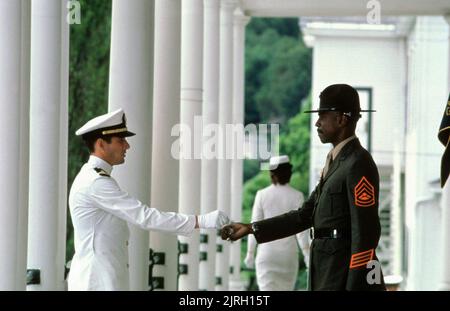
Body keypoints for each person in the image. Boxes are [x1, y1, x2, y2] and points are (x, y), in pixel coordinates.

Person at [222, 84, 386, 291]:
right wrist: (251, 228)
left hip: (342, 273)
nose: (317, 122)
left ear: (342, 119)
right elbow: (304, 215)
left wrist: (356, 283)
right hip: (325, 267)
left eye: (323, 115)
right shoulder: (336, 163)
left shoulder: (358, 162)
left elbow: (366, 232)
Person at [67, 108, 229, 291]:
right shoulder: (96, 182)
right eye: (121, 140)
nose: (127, 146)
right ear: (101, 144)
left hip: (102, 279)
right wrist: (201, 220)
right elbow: (145, 216)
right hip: (96, 281)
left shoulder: (96, 178)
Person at [244, 155, 310, 291]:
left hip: (266, 256)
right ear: (288, 173)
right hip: (288, 257)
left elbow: (253, 226)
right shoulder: (297, 195)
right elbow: (302, 232)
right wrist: (307, 254)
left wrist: (250, 252)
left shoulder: (261, 195)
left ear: (271, 174)